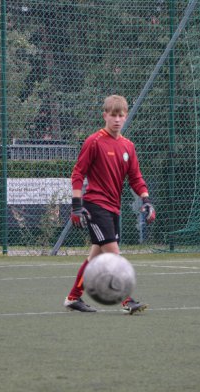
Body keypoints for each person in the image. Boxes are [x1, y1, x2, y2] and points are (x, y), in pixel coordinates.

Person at [64, 95, 156, 314]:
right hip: (96, 206)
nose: (117, 119)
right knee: (114, 255)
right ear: (104, 115)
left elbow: (136, 178)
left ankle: (72, 298)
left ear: (125, 117)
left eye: (121, 115)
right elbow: (78, 173)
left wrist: (147, 200)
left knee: (95, 257)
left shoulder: (128, 147)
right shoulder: (94, 141)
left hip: (114, 209)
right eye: (112, 115)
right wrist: (76, 205)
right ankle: (127, 300)